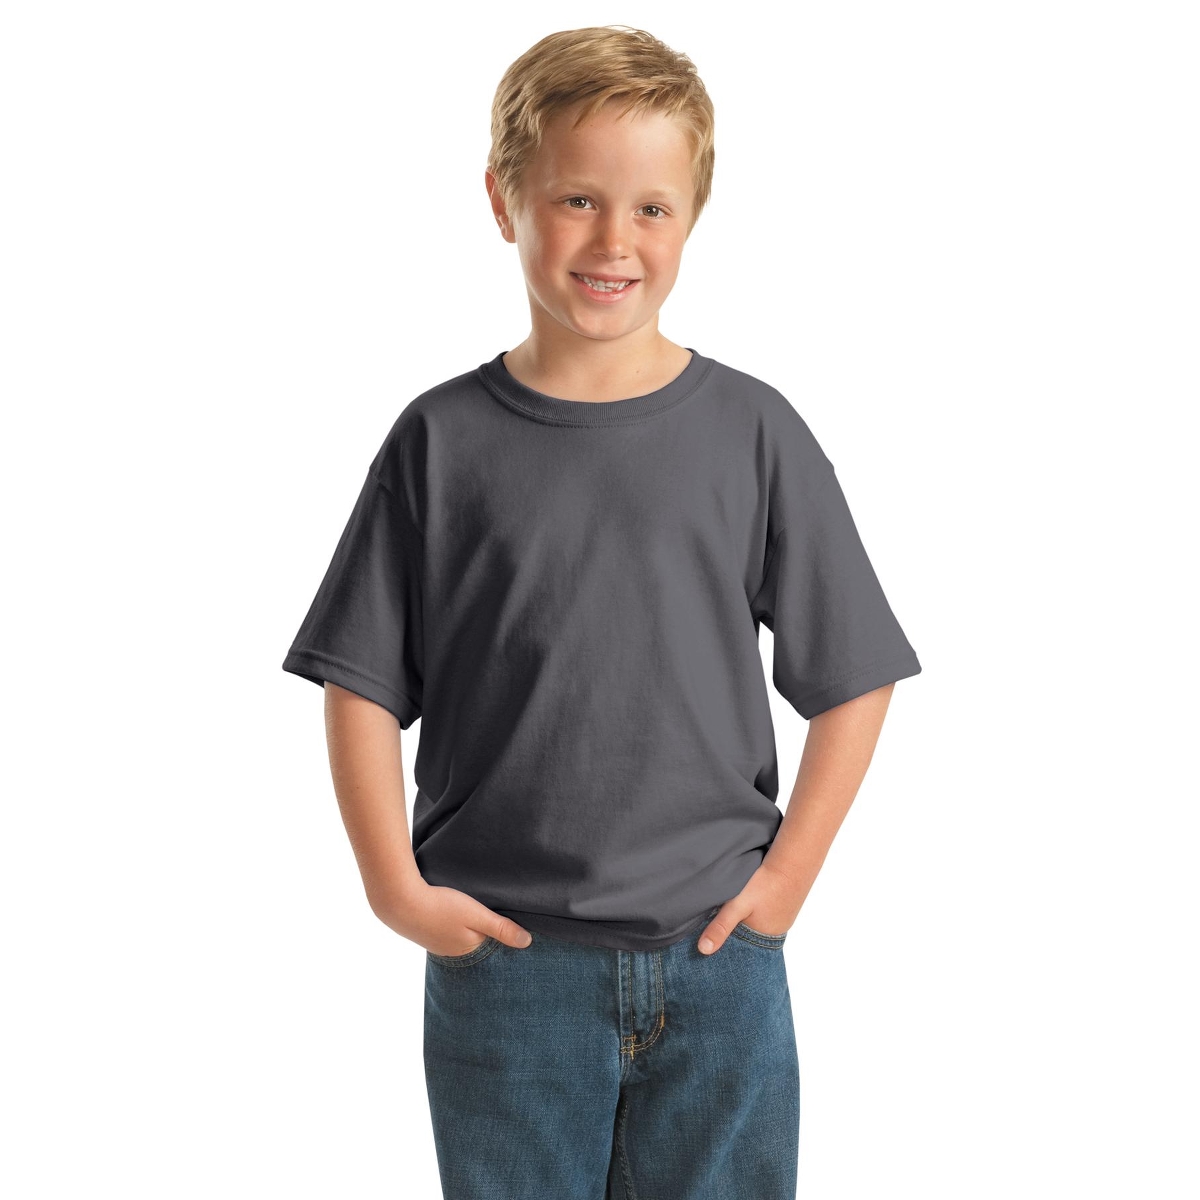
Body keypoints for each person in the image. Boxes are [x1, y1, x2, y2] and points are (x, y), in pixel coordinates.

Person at [282, 24, 922, 1200]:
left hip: (720, 959)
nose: (614, 240)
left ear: (693, 216)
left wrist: (787, 881)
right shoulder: (439, 441)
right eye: (577, 199)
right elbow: (359, 679)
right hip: (506, 967)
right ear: (503, 200)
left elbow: (856, 674)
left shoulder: (754, 431)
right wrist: (393, 889)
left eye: (652, 208)